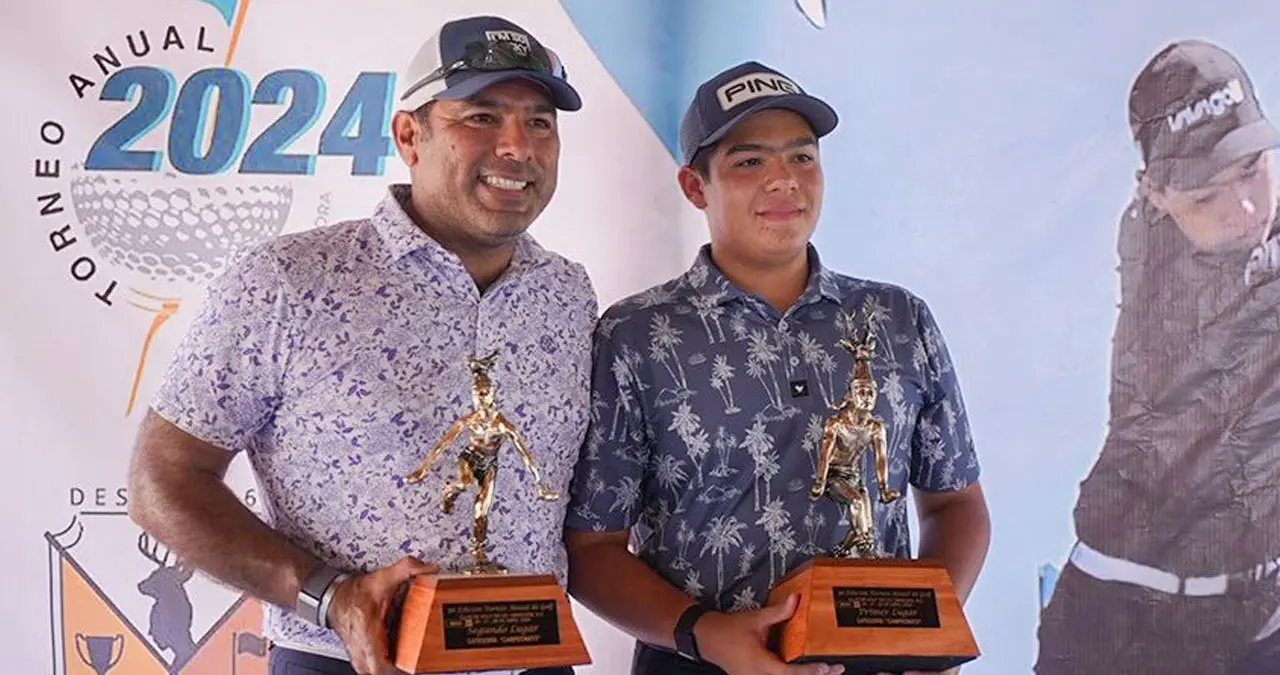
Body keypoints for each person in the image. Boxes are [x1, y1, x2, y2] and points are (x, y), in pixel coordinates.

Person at [126, 15, 598, 675]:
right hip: (347, 657)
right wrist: (326, 594)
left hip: (534, 660)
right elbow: (162, 480)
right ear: (411, 134)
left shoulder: (568, 295)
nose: (517, 146)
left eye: (539, 122)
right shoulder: (290, 280)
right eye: (481, 117)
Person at [562, 61, 991, 675]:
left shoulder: (898, 319)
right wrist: (703, 634)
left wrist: (930, 631)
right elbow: (593, 547)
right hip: (697, 662)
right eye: (749, 162)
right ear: (694, 186)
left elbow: (957, 504)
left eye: (802, 158)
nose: (784, 181)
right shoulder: (636, 335)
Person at [1035, 39, 1280, 675]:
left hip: (1260, 612)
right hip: (1122, 622)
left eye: (1254, 167)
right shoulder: (1158, 265)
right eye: (1207, 197)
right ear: (1158, 195)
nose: (1245, 210)